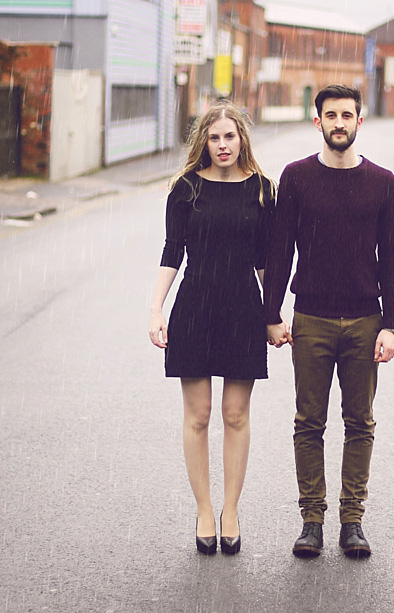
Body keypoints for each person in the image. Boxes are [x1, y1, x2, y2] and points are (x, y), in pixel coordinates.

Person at [263, 85, 394, 559]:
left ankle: (352, 521)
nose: (338, 123)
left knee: (359, 422)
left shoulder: (383, 183)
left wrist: (392, 324)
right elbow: (280, 250)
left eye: (347, 115)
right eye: (330, 115)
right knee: (309, 422)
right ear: (317, 121)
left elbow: (393, 259)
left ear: (360, 122)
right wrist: (271, 314)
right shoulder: (297, 178)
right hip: (312, 319)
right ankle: (311, 521)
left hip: (366, 318)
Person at [149, 103, 275, 555]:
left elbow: (266, 263)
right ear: (204, 140)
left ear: (242, 139)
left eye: (230, 137)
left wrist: (274, 316)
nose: (223, 146)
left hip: (243, 308)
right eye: (215, 138)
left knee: (236, 415)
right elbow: (172, 251)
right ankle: (204, 509)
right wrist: (156, 308)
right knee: (198, 415)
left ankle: (231, 509)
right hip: (195, 307)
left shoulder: (263, 191)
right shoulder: (185, 190)